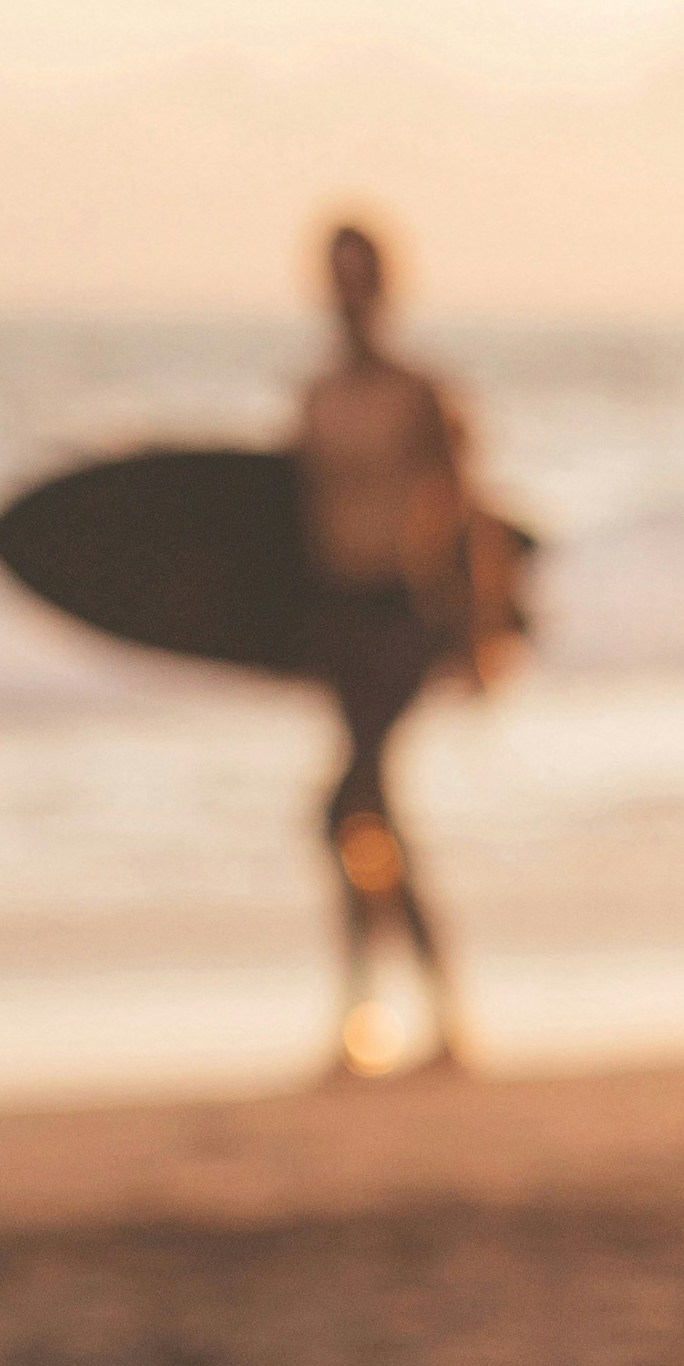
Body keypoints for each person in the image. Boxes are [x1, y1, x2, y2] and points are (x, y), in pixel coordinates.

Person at [293, 215, 517, 1080]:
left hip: (403, 619)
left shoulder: (420, 394)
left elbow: (468, 516)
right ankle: (404, 1019)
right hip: (339, 624)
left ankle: (391, 1016)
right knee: (367, 817)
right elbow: (289, 529)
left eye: (360, 276)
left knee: (349, 806)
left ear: (383, 287)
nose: (348, 294)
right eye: (336, 276)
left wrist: (482, 631)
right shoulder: (314, 398)